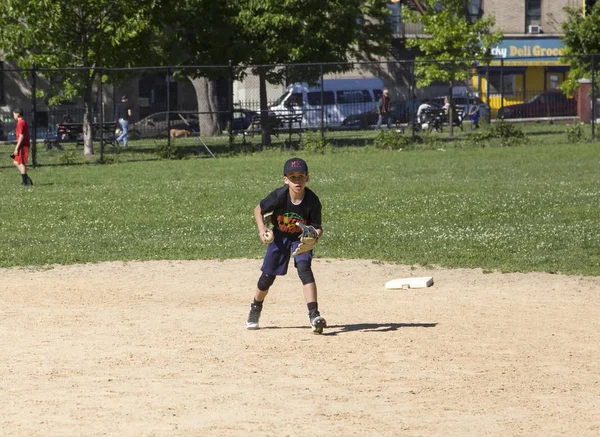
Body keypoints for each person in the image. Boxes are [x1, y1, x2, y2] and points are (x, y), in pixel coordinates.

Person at [246, 157, 326, 334]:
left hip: (301, 237)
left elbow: (317, 227)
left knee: (305, 269)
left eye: (301, 176)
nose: (297, 180)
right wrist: (262, 229)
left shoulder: (312, 200)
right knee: (268, 276)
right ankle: (255, 307)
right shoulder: (279, 196)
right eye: (292, 177)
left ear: (307, 178)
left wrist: (313, 237)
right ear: (285, 180)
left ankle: (314, 315)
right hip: (280, 236)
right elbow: (258, 209)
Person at [11, 108, 33, 187]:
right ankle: (27, 179)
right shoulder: (21, 122)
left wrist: (16, 148)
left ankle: (25, 182)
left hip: (23, 145)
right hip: (21, 145)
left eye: (14, 114)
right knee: (15, 162)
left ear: (17, 114)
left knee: (21, 163)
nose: (13, 116)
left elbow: (21, 136)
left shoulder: (21, 123)